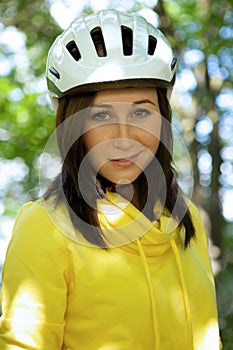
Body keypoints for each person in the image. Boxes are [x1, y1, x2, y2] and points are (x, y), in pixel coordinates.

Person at [0, 9, 221, 350]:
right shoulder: (44, 227)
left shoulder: (187, 220)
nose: (124, 136)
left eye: (140, 111)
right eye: (101, 115)